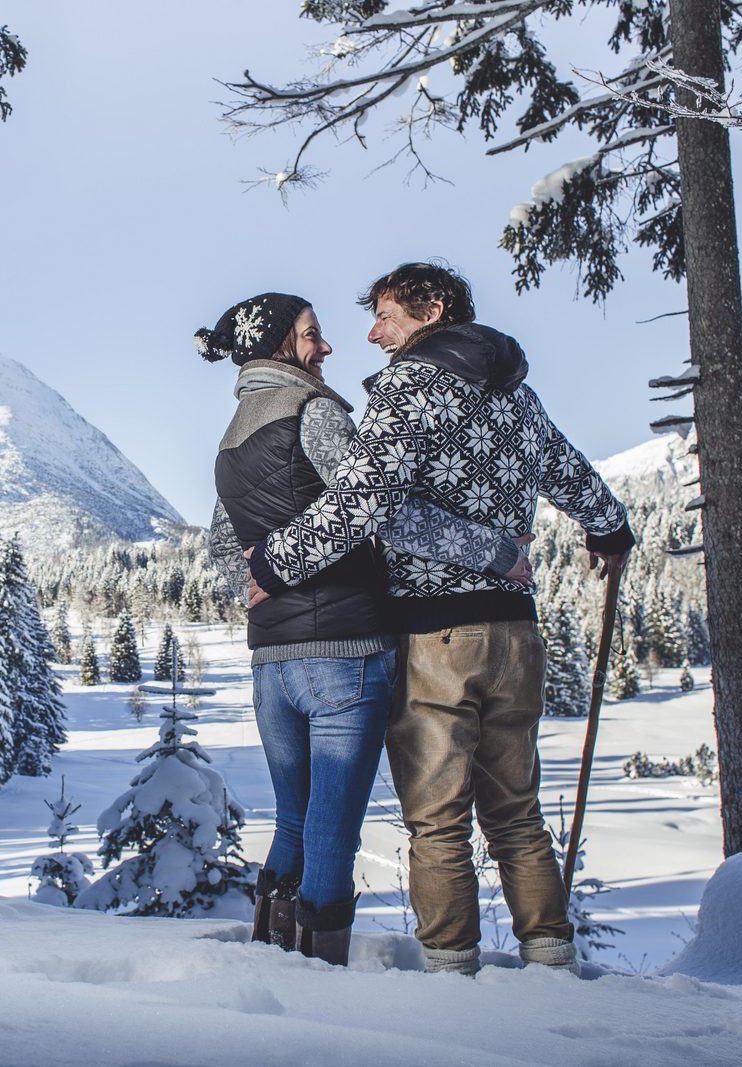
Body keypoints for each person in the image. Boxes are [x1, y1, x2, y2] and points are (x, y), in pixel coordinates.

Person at [245, 264, 634, 977]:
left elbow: (366, 499)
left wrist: (274, 562)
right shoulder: (517, 392)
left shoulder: (410, 387)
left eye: (387, 315)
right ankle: (551, 964)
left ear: (434, 309)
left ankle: (452, 981)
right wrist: (608, 528)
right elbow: (571, 474)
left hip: (435, 635)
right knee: (517, 812)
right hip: (516, 634)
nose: (372, 332)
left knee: (438, 818)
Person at [198, 291, 531, 966]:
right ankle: (320, 974)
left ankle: (268, 963)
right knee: (330, 833)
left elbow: (222, 552)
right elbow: (385, 510)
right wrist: (499, 551)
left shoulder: (234, 433)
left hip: (272, 662)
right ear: (281, 346)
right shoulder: (315, 412)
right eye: (311, 335)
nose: (325, 348)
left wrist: (263, 588)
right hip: (344, 655)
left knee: (292, 821)